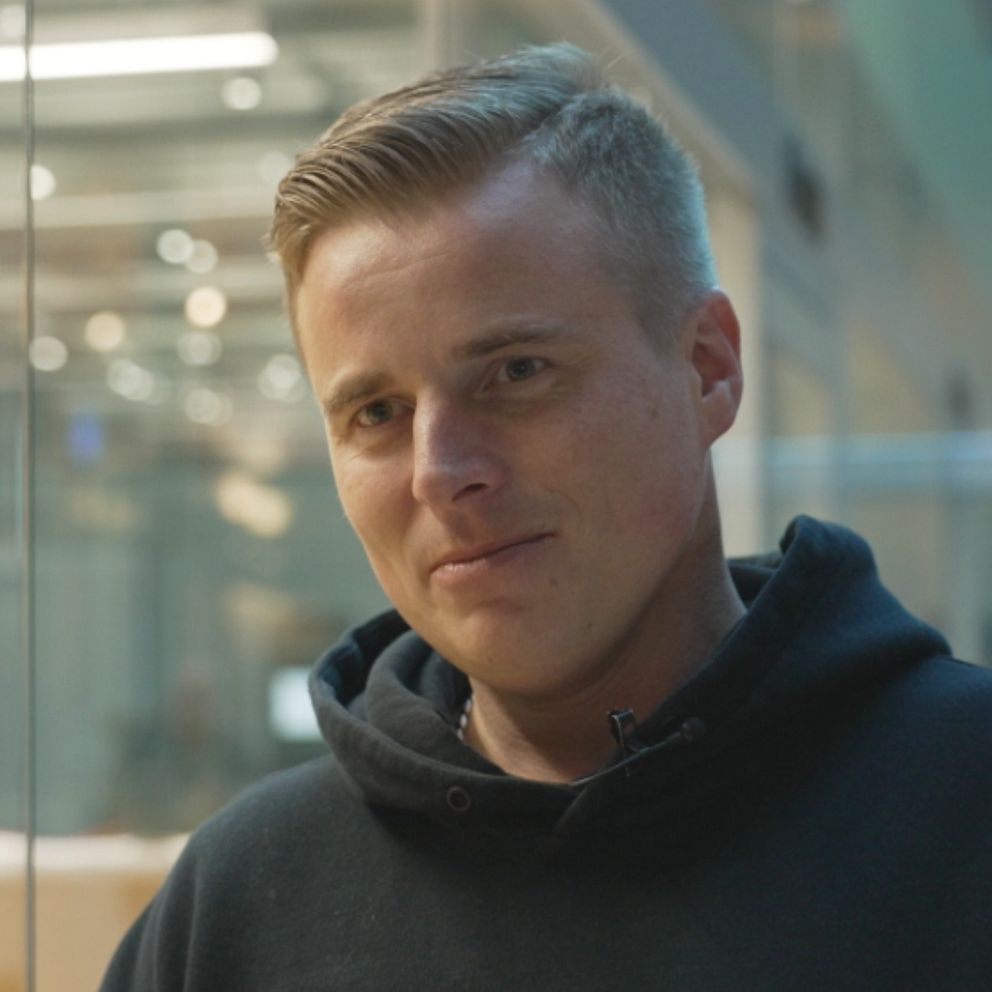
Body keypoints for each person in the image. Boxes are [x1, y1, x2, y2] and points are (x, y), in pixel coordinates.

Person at [101, 43, 992, 991]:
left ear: (708, 368)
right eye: (377, 413)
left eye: (517, 372)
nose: (440, 473)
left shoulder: (961, 808)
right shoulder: (239, 903)